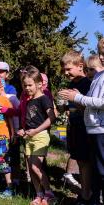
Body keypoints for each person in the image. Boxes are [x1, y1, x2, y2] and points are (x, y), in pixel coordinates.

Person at [59, 54, 104, 203]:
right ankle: (86, 192)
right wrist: (64, 105)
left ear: (80, 66)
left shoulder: (87, 83)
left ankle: (87, 194)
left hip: (87, 128)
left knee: (86, 163)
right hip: (75, 126)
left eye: (68, 69)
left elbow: (88, 106)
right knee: (79, 160)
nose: (66, 73)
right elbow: (73, 107)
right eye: (63, 70)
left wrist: (76, 99)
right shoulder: (72, 84)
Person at [18, 69, 56, 205]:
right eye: (24, 85)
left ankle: (49, 194)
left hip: (40, 136)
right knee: (31, 168)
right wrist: (23, 130)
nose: (26, 88)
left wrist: (36, 130)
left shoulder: (44, 99)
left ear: (39, 84)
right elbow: (30, 120)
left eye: (30, 85)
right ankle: (38, 195)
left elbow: (52, 117)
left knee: (36, 167)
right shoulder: (28, 100)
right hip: (29, 137)